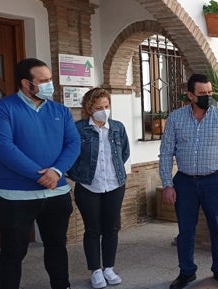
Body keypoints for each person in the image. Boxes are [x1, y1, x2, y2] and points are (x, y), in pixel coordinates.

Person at [0, 58, 81, 289]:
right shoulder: (2, 109)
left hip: (56, 193)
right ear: (26, 84)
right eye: (44, 81)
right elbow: (5, 149)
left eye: (51, 80)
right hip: (17, 196)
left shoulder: (60, 110)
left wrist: (57, 171)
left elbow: (73, 143)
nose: (50, 85)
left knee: (57, 246)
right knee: (12, 252)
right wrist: (40, 175)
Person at [159, 73, 218, 289]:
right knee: (186, 230)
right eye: (202, 93)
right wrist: (167, 183)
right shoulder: (176, 118)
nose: (208, 96)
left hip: (215, 181)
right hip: (184, 182)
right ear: (190, 95)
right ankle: (186, 272)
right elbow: (166, 152)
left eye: (210, 92)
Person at [67, 88, 130, 289]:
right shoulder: (78, 129)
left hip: (114, 185)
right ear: (89, 108)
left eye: (106, 106)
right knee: (92, 230)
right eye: (99, 107)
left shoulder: (118, 127)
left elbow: (124, 152)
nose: (104, 111)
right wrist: (79, 175)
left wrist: (115, 171)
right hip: (88, 187)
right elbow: (69, 156)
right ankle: (95, 270)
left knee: (111, 228)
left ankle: (109, 268)